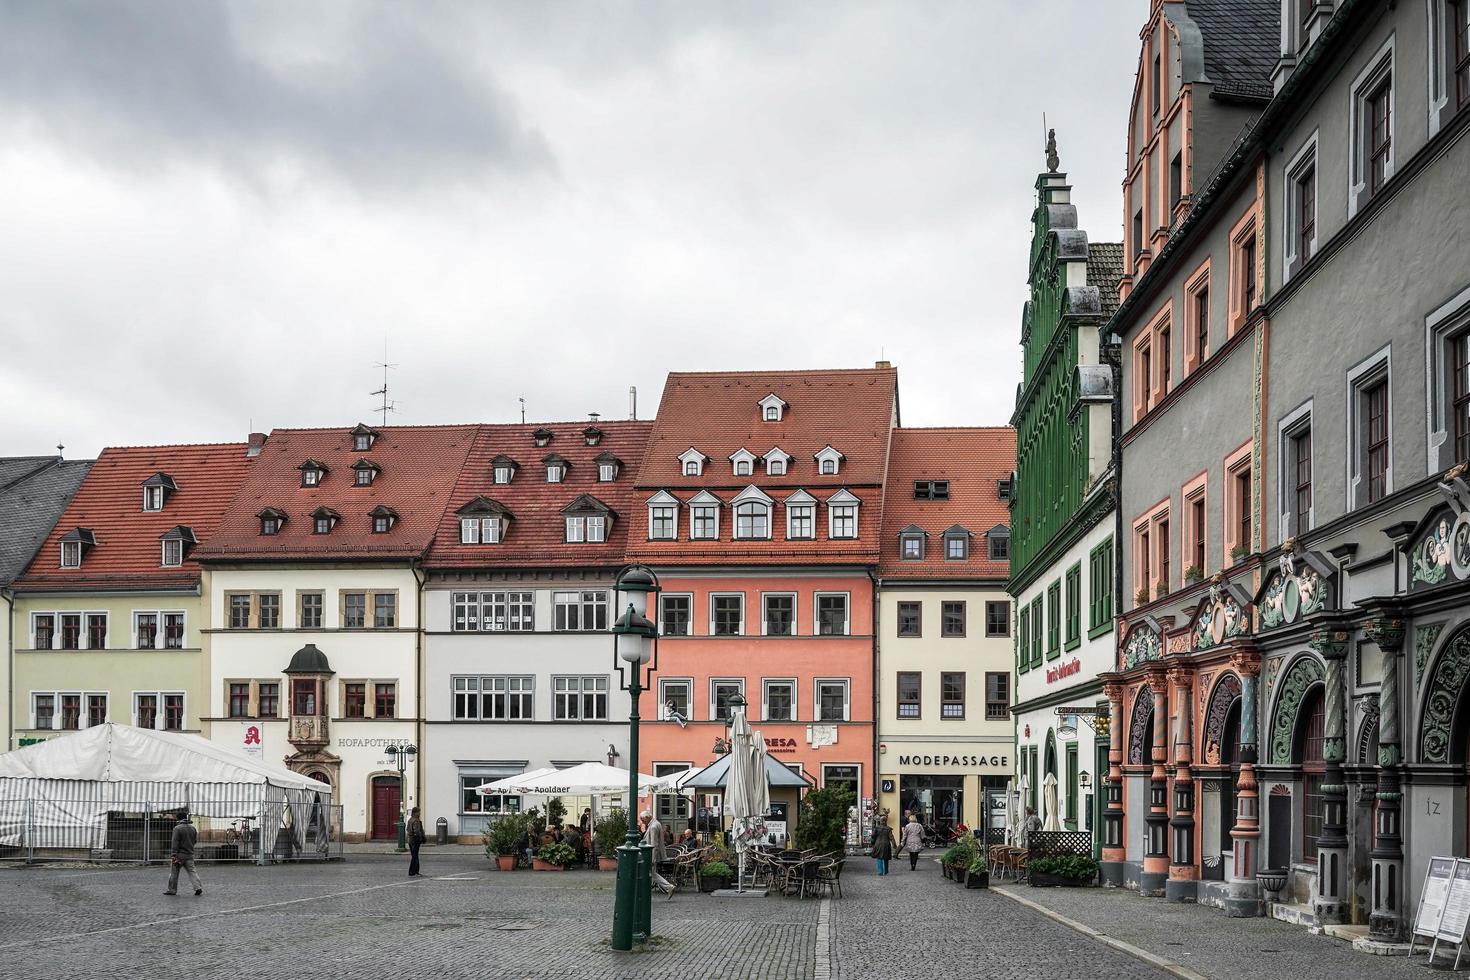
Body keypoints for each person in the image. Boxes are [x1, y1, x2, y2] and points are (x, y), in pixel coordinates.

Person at [164, 811, 203, 896]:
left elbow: (175, 842)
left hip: (179, 855)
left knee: (174, 873)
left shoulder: (177, 828)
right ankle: (198, 887)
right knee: (192, 872)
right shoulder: (193, 828)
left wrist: (174, 854)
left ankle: (172, 890)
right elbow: (195, 841)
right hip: (189, 854)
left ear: (178, 819)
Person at [641, 809, 675, 895]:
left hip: (651, 855)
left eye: (643, 820)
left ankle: (668, 886)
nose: (642, 822)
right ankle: (647, 889)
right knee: (651, 873)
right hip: (653, 854)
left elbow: (654, 844)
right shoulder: (656, 823)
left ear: (648, 817)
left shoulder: (653, 827)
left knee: (651, 873)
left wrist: (652, 859)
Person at [407, 807, 426, 877]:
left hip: (410, 840)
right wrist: (422, 838)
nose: (420, 813)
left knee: (414, 856)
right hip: (415, 840)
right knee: (415, 856)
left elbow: (407, 829)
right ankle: (412, 872)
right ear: (416, 812)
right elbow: (417, 831)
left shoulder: (410, 820)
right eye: (419, 812)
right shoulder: (416, 821)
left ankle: (415, 871)